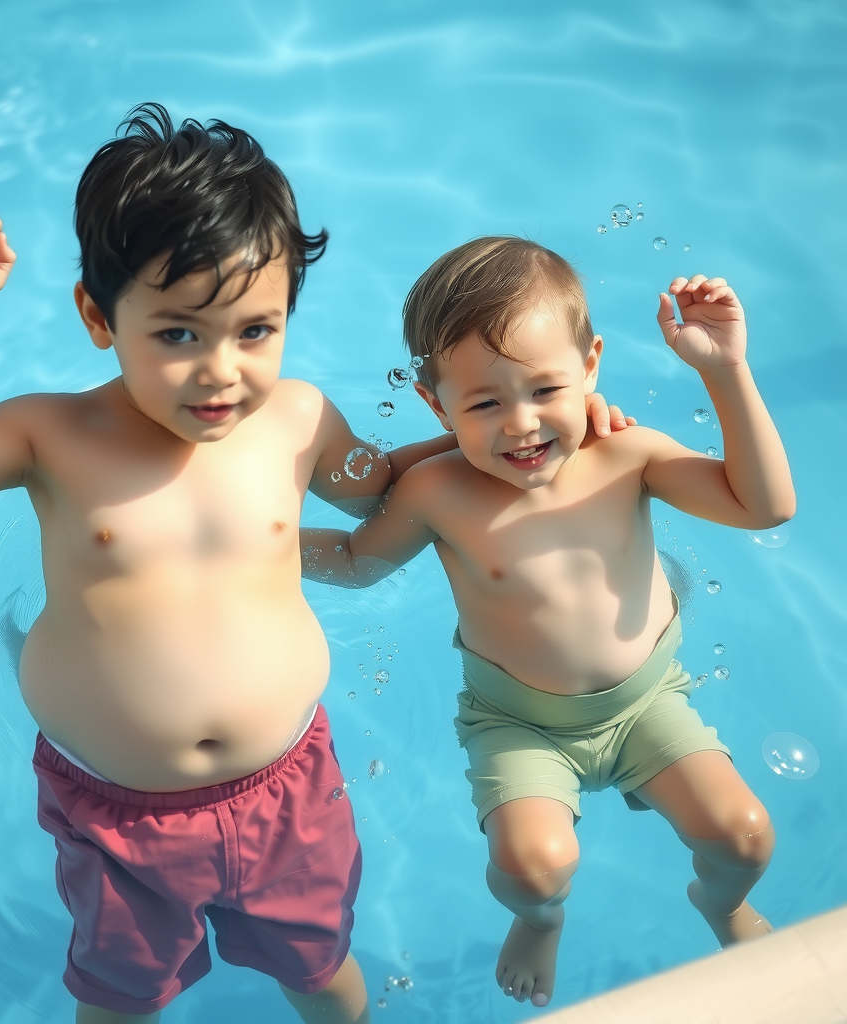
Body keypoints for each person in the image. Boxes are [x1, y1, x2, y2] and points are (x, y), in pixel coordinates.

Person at [0, 105, 630, 1021]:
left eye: (255, 331)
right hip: (118, 812)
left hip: (286, 791)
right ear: (98, 315)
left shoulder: (297, 420)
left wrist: (550, 436)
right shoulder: (48, 434)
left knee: (321, 971)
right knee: (121, 997)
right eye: (178, 334)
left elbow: (391, 484)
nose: (221, 372)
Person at [302, 236, 794, 1009]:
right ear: (437, 405)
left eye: (545, 390)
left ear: (592, 364)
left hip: (646, 705)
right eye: (485, 403)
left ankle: (722, 904)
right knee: (534, 864)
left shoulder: (626, 455)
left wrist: (724, 371)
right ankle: (541, 921)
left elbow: (763, 504)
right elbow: (358, 559)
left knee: (745, 836)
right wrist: (254, 537)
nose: (523, 425)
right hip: (518, 722)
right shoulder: (439, 492)